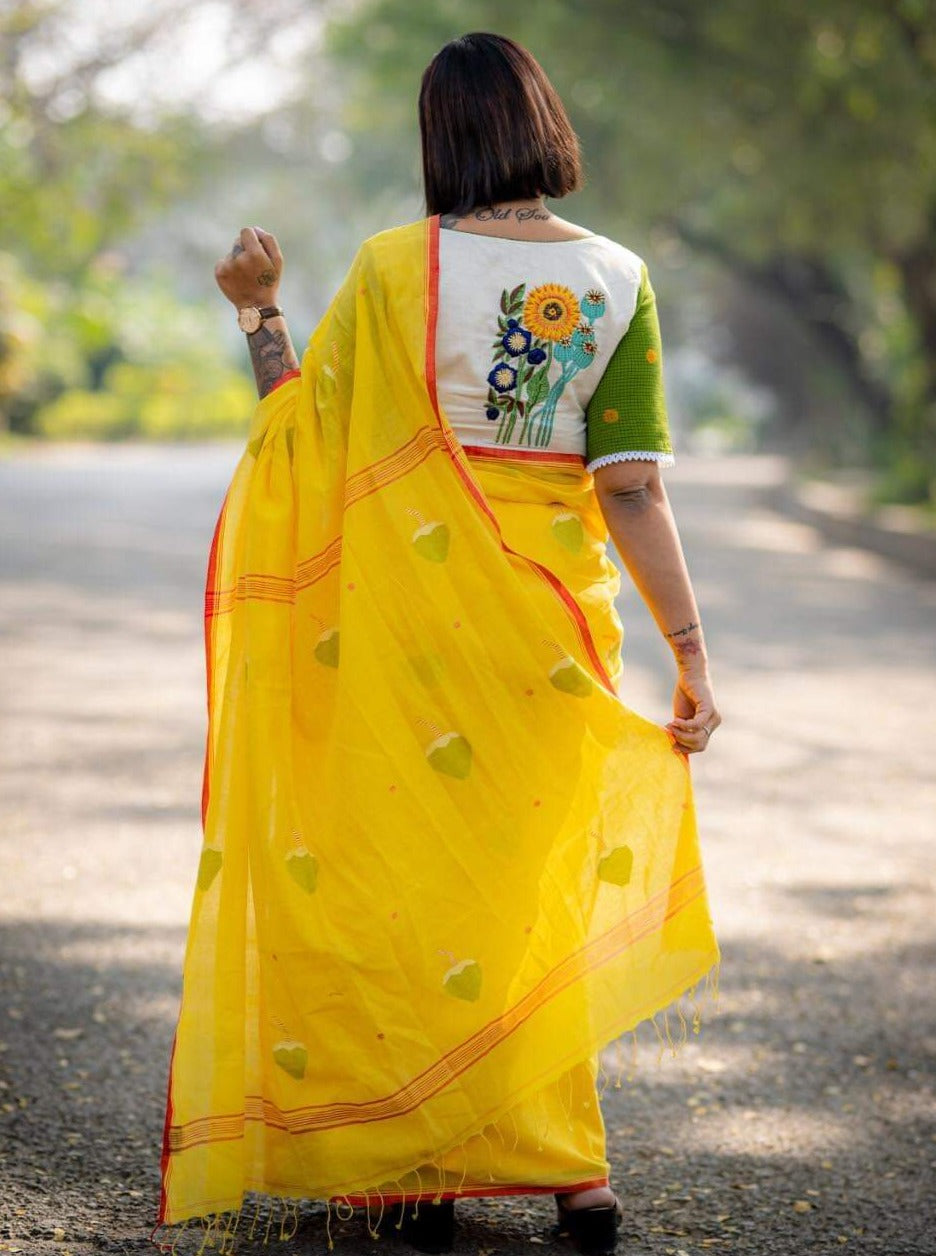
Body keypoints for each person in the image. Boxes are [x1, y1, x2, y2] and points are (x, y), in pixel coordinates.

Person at [152, 32, 721, 1256]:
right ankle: (576, 1176)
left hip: (409, 638)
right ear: (545, 128)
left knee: (412, 884)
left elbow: (300, 439)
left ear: (439, 137)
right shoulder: (619, 277)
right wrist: (690, 649)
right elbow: (630, 488)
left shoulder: (393, 268)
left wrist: (258, 313)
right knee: (530, 892)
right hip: (553, 626)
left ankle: (424, 1169)